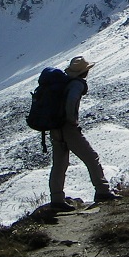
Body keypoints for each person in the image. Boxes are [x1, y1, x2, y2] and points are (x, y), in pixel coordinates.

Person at [48, 56, 119, 211]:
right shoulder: (76, 85)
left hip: (55, 128)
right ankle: (102, 191)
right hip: (68, 128)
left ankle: (57, 200)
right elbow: (71, 101)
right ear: (84, 72)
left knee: (59, 164)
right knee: (91, 157)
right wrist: (72, 121)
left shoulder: (63, 83)